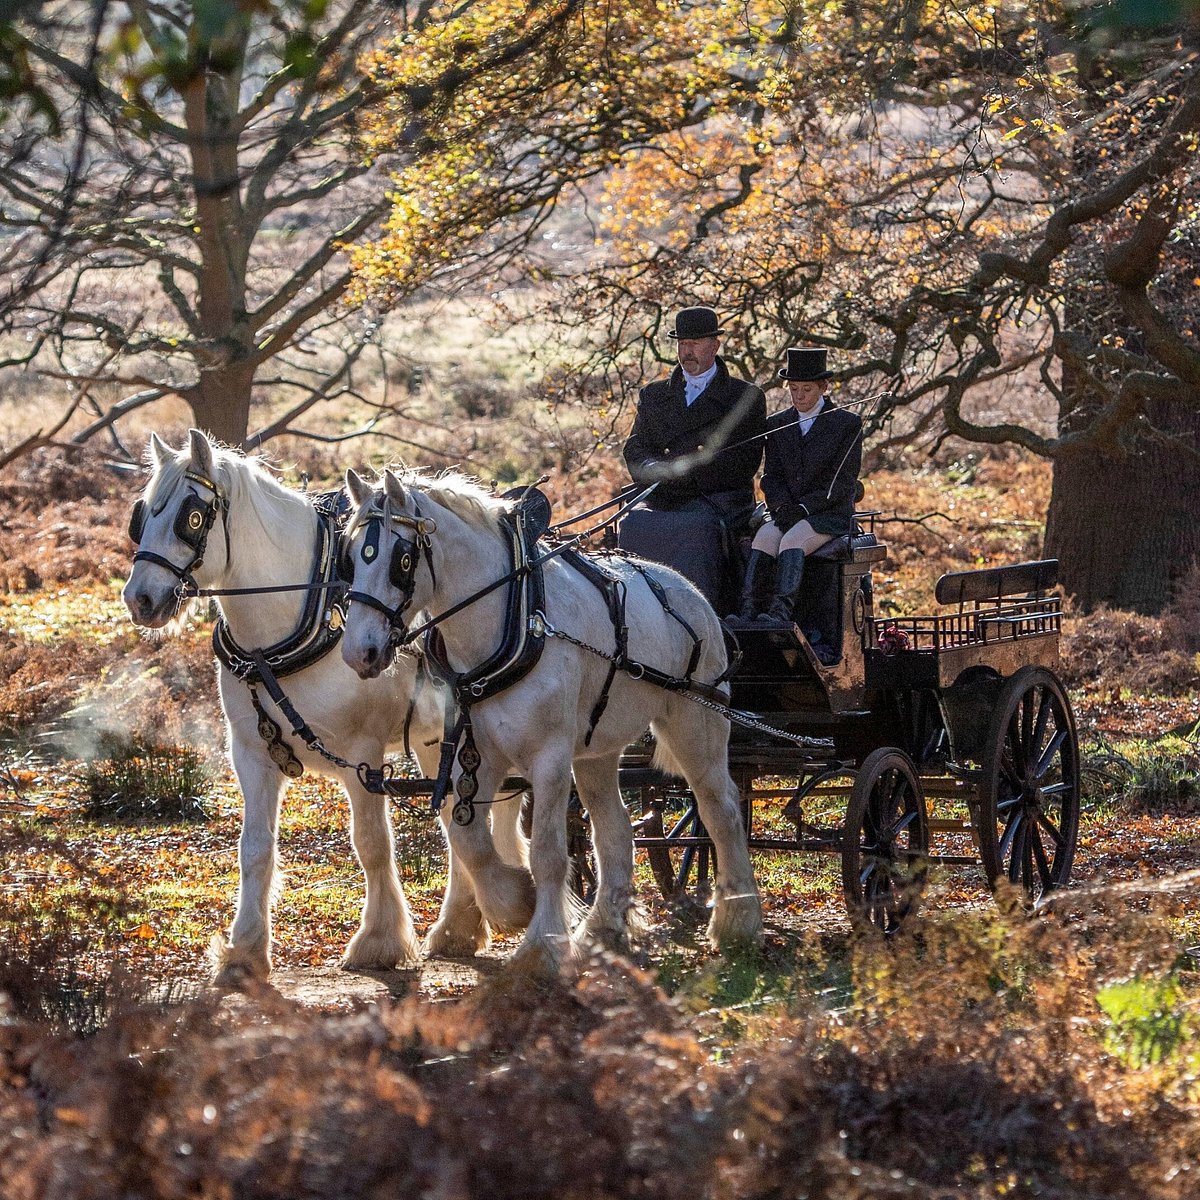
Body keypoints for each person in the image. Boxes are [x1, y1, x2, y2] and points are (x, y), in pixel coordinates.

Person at [618, 306, 767, 607]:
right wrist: (651, 467)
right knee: (632, 522)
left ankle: (697, 614)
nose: (687, 351)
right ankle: (636, 612)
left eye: (695, 344)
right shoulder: (655, 395)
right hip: (662, 495)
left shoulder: (744, 396)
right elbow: (635, 446)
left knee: (694, 529)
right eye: (682, 344)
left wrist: (686, 473)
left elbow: (744, 462)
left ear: (715, 346)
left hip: (717, 498)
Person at [735, 346, 863, 632]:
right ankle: (749, 611)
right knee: (764, 539)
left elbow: (841, 482)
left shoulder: (846, 424)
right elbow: (771, 477)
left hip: (828, 513)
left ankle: (781, 614)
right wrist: (781, 507)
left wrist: (804, 509)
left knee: (792, 541)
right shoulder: (778, 424)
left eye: (806, 389)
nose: (799, 395)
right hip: (787, 511)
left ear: (823, 387)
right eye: (794, 389)